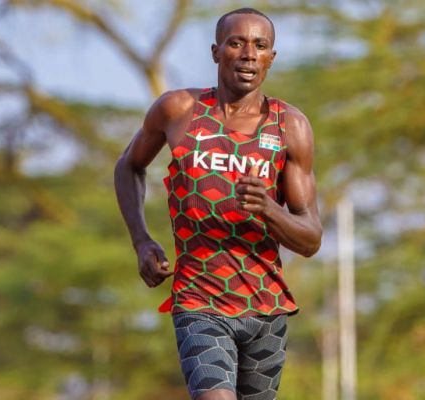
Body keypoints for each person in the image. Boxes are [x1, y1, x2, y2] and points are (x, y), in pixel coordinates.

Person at [114, 7, 322, 400]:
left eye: (260, 46)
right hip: (199, 299)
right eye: (236, 43)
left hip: (266, 307)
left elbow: (311, 239)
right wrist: (141, 239)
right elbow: (129, 167)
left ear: (270, 59)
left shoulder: (290, 126)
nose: (248, 54)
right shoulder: (178, 110)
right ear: (216, 52)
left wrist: (269, 208)